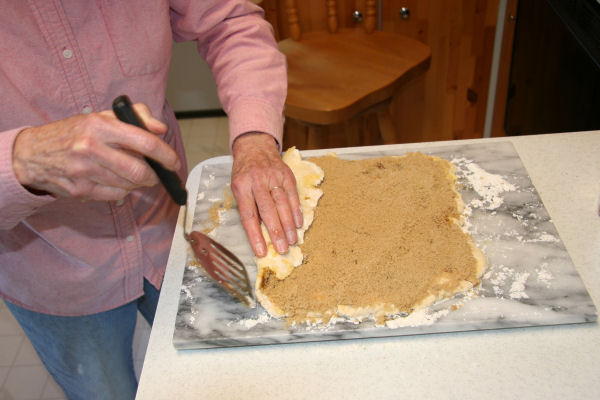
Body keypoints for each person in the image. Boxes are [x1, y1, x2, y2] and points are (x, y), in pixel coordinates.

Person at [0, 1, 300, 399]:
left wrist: (255, 138)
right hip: (51, 264)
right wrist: (21, 161)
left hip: (168, 230)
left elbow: (229, 21)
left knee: (217, 378)